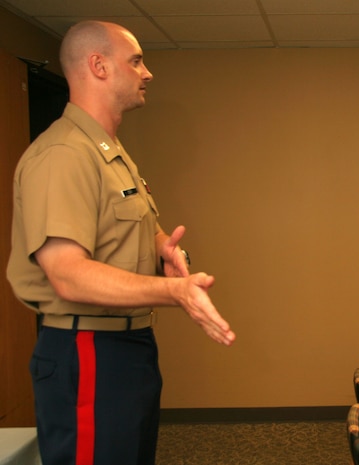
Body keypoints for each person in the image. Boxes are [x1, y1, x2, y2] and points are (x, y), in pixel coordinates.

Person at [6, 20, 235, 465]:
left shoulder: (108, 150)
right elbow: (68, 274)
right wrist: (173, 292)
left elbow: (128, 228)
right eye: (136, 61)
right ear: (99, 66)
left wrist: (164, 248)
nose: (147, 72)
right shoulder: (64, 154)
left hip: (127, 348)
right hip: (89, 351)